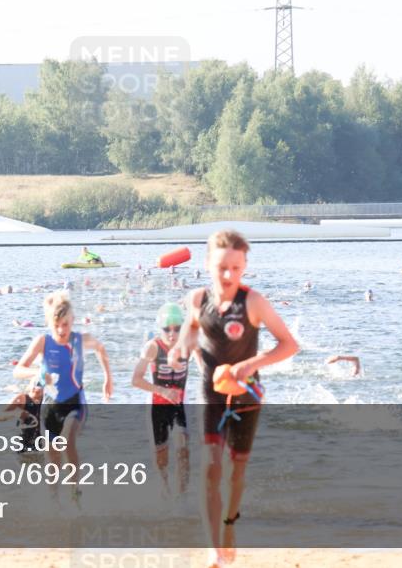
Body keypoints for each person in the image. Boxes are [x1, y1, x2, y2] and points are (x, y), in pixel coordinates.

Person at [168, 230, 299, 567]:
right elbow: (188, 337)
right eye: (221, 267)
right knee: (210, 468)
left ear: (244, 267)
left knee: (234, 473)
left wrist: (251, 363)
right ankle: (214, 549)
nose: (228, 275)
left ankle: (228, 528)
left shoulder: (253, 302)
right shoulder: (197, 299)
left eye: (236, 268)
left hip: (247, 394)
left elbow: (289, 344)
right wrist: (179, 352)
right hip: (210, 393)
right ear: (208, 264)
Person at [13, 291, 113, 507]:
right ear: (50, 322)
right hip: (51, 407)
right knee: (53, 458)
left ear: (72, 321)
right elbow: (19, 369)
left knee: (68, 440)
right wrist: (38, 374)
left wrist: (108, 379)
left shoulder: (80, 339)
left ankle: (75, 493)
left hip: (76, 403)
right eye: (57, 325)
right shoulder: (42, 341)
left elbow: (101, 349)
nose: (61, 330)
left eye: (66, 324)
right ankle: (54, 502)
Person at [131, 302, 192, 498]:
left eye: (177, 329)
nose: (172, 334)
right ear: (161, 329)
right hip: (157, 408)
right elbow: (136, 379)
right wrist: (162, 391)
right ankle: (165, 492)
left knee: (183, 447)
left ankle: (181, 497)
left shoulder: (188, 346)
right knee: (162, 458)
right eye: (167, 329)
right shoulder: (153, 347)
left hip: (177, 407)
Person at [0, 382, 44, 459]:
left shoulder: (44, 398)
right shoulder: (22, 398)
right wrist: (16, 413)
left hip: (38, 445)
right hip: (22, 446)